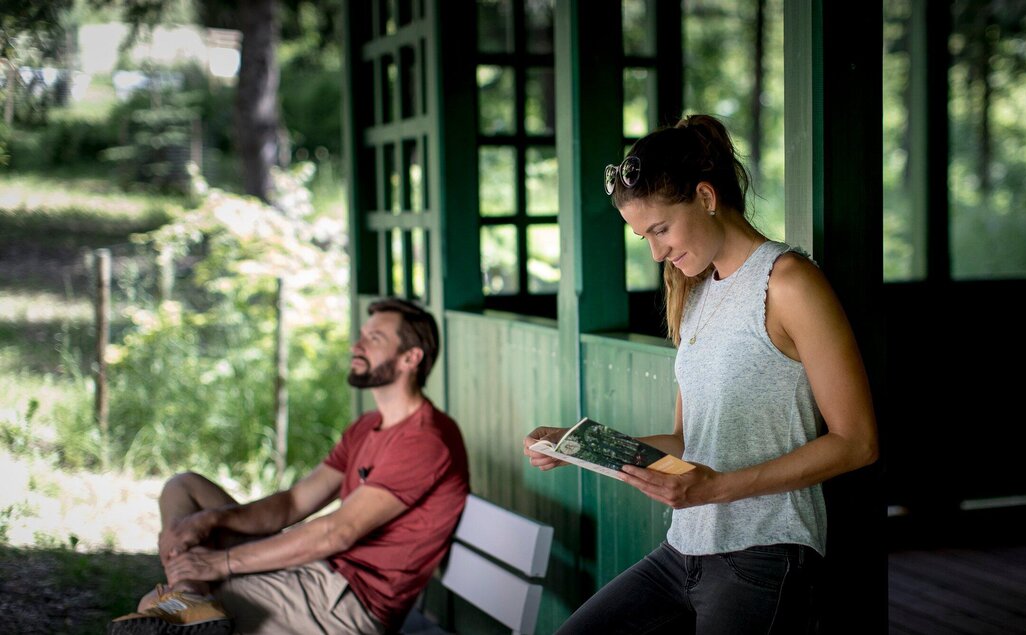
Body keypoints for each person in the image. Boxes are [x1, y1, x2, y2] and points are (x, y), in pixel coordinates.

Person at [523, 114, 878, 634]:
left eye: (661, 229)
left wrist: (716, 489)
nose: (656, 251)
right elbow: (688, 441)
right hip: (683, 549)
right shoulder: (694, 294)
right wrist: (579, 446)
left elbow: (858, 442)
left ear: (707, 198)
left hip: (764, 555)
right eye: (643, 236)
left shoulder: (788, 282)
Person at [110, 298, 470, 635]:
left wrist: (220, 563)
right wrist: (211, 521)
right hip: (315, 575)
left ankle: (188, 598)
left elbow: (337, 533)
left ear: (411, 358)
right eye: (361, 336)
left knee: (157, 608)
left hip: (347, 603)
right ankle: (189, 593)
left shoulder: (424, 440)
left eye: (374, 338)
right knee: (183, 486)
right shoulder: (367, 427)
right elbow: (292, 505)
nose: (356, 346)